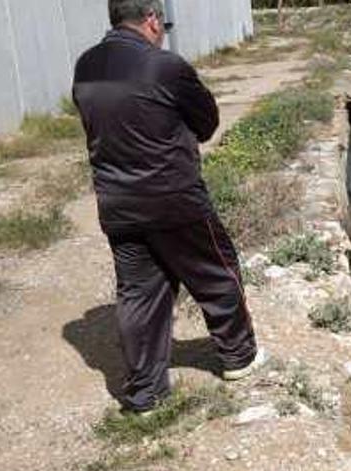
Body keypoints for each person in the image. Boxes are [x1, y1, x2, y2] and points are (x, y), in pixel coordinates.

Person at [72, 0, 264, 413]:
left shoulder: (85, 66)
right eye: (163, 23)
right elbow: (207, 123)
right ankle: (238, 357)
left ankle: (146, 393)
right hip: (175, 200)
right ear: (152, 19)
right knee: (216, 272)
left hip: (117, 204)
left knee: (139, 295)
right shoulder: (164, 66)